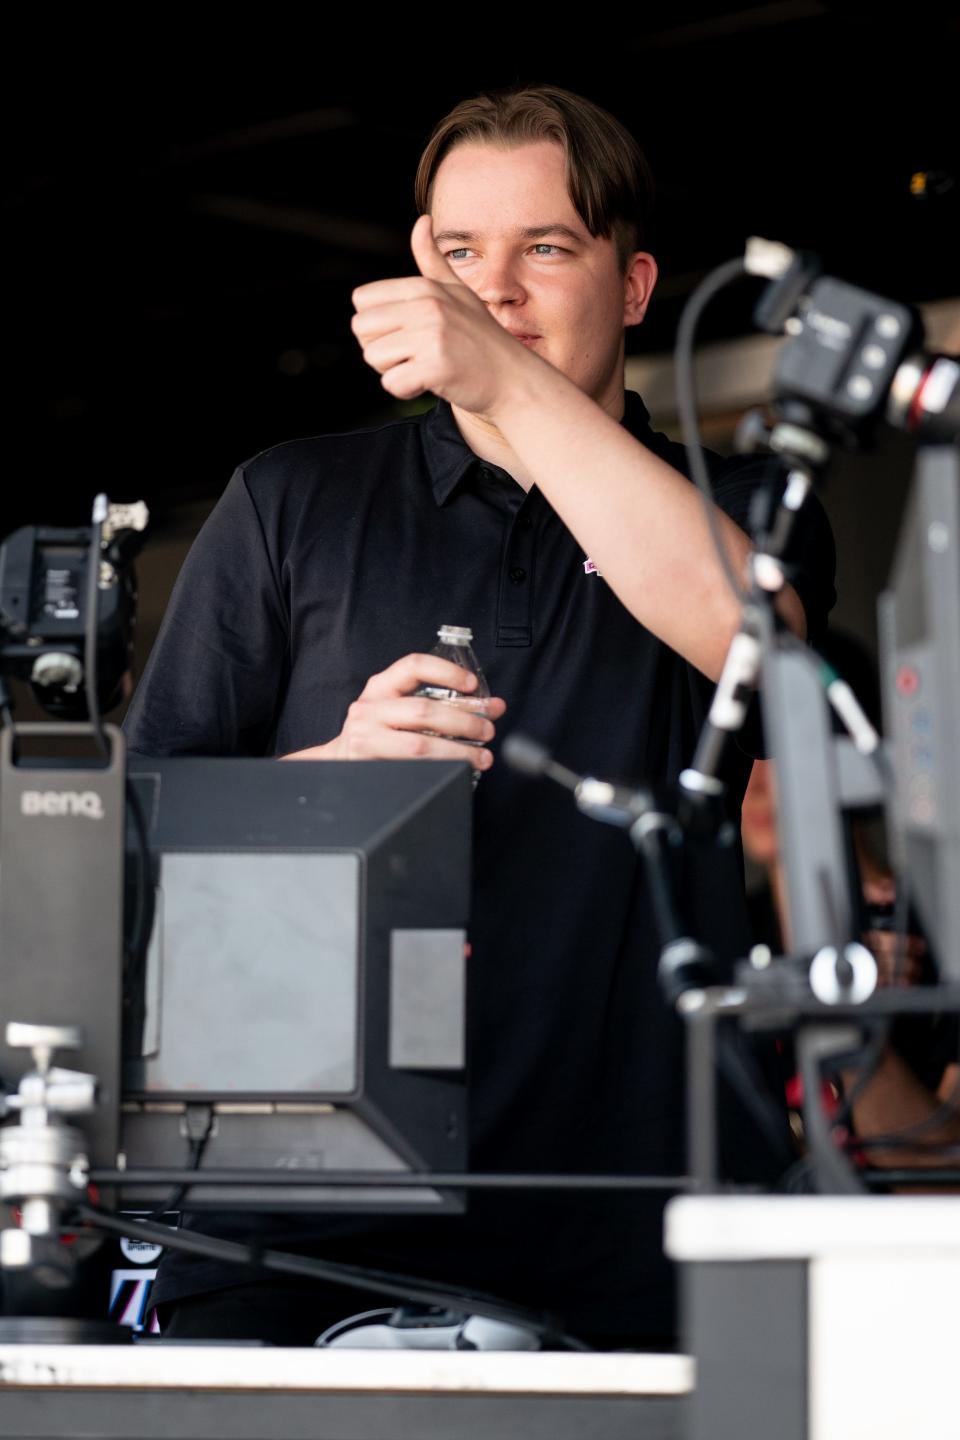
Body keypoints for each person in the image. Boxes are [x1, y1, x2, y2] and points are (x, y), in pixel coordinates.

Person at [124, 84, 836, 1348]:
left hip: (639, 1206)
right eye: (460, 254)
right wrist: (332, 773)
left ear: (634, 286)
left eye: (546, 249)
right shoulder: (292, 498)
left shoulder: (744, 502)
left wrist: (502, 375)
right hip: (300, 1214)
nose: (494, 290)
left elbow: (754, 647)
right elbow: (132, 847)